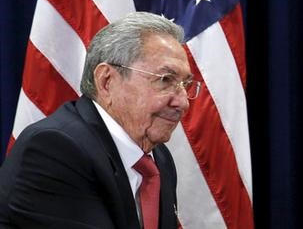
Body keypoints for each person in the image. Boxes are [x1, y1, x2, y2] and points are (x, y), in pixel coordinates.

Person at [0, 12, 199, 228]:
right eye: (165, 80)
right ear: (107, 81)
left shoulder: (158, 157)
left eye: (186, 85)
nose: (183, 102)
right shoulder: (56, 149)